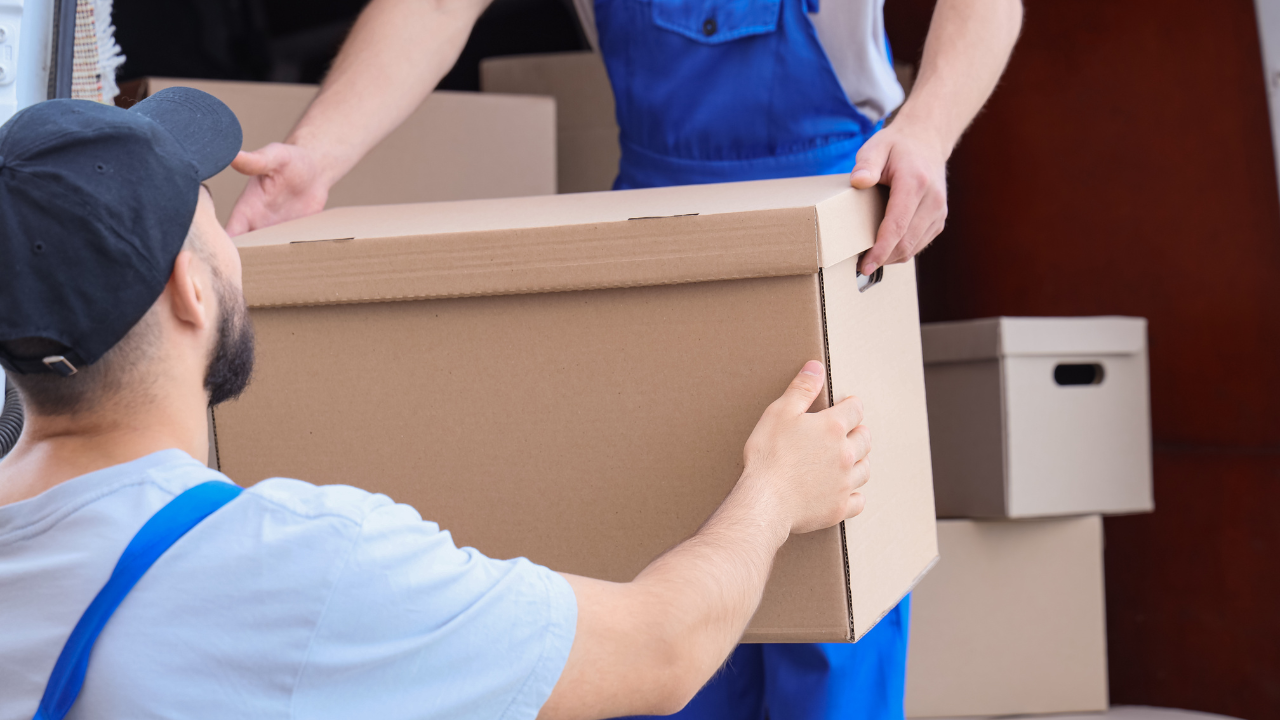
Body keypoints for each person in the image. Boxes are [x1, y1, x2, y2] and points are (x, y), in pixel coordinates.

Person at [224, 1, 1021, 717]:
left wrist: (927, 131)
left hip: (841, 214)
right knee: (663, 564)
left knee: (835, 598)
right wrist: (316, 155)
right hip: (655, 220)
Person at [0, 90, 873, 720]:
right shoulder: (300, 569)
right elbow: (662, 649)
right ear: (191, 291)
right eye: (213, 222)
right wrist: (776, 493)